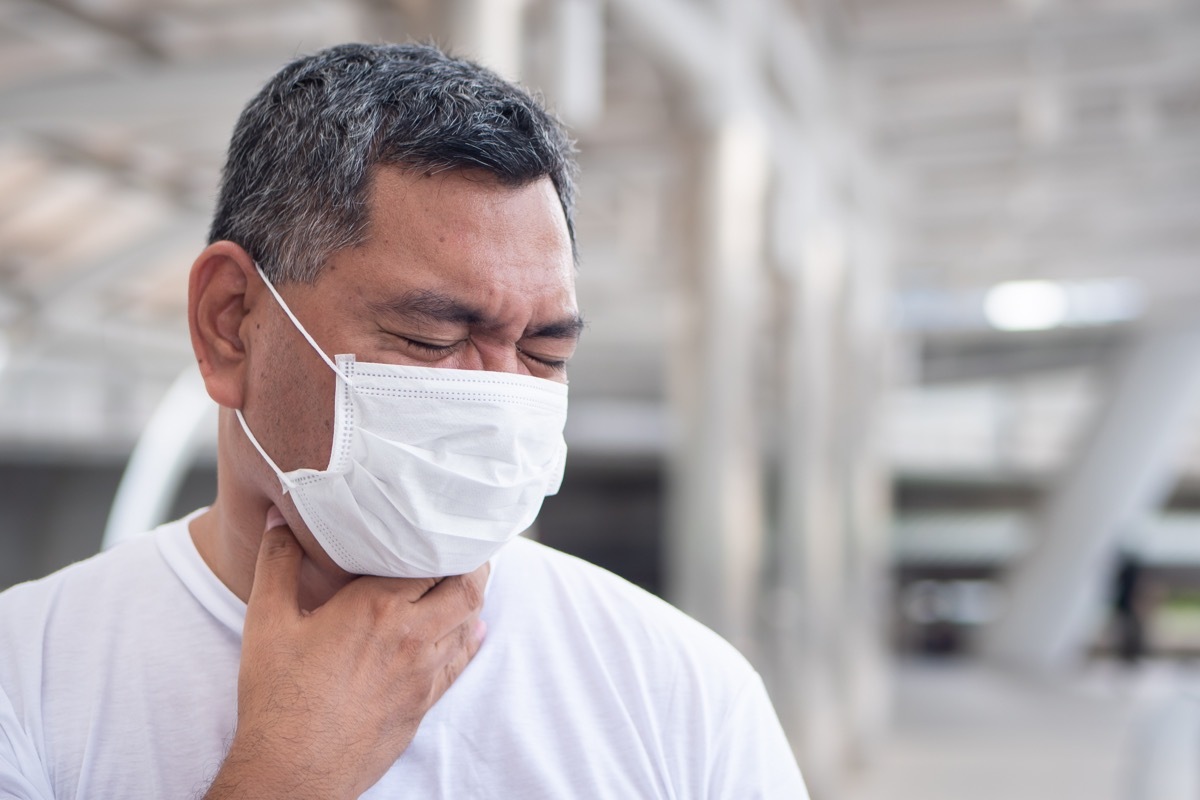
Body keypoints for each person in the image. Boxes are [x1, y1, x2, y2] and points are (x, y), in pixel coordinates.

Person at [0, 43, 807, 798]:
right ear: (229, 322)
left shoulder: (683, 695)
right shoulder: (28, 680)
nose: (497, 399)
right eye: (431, 338)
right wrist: (283, 773)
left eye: (543, 352)